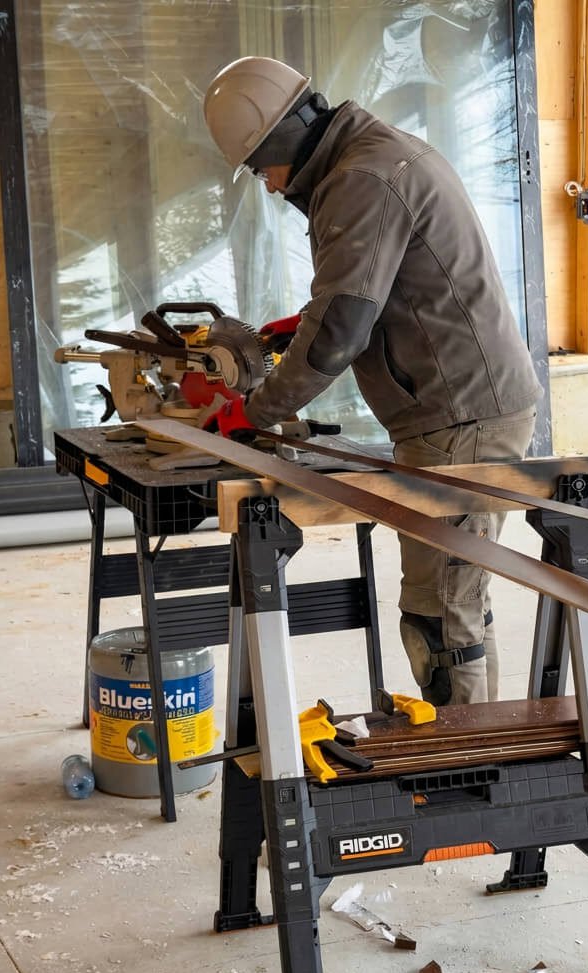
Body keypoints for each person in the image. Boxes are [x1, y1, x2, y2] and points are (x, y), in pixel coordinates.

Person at [203, 56, 543, 707]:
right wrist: (292, 330)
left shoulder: (361, 177)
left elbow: (339, 332)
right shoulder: (375, 154)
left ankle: (468, 772)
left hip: (459, 421)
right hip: (463, 410)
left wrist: (254, 414)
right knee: (456, 603)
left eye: (259, 169)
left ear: (278, 141)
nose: (270, 187)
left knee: (439, 618)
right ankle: (481, 753)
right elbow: (362, 292)